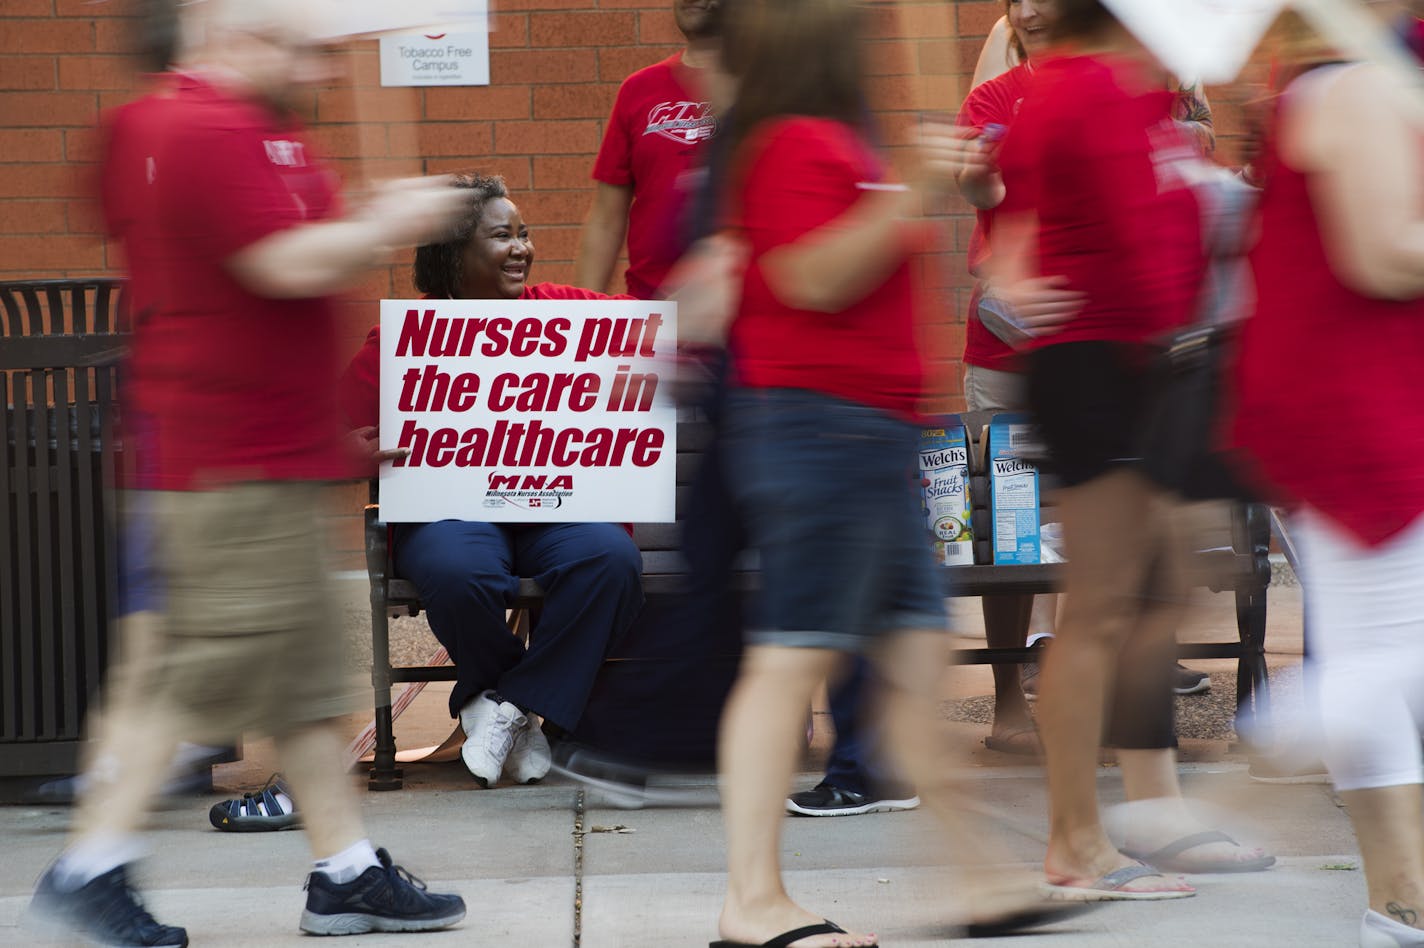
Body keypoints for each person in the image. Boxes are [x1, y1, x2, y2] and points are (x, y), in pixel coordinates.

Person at [26, 2, 473, 943]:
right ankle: (89, 867)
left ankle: (345, 871)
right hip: (228, 465)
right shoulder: (202, 127)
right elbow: (281, 262)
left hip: (258, 459)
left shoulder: (240, 129)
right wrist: (394, 221)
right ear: (228, 33)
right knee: (191, 680)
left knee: (301, 684)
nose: (317, 72)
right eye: (297, 50)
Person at [710, 1, 1077, 943]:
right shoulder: (792, 141)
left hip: (872, 436)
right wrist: (905, 188)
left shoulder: (838, 141)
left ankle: (979, 876)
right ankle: (751, 903)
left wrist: (942, 184)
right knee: (790, 658)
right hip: (813, 429)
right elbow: (811, 276)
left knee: (912, 665)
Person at [988, 0, 1268, 900]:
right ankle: (1075, 843)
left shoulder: (1137, 92)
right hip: (1104, 368)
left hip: (1147, 366)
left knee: (1156, 596)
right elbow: (1134, 245)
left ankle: (1149, 810)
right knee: (1103, 609)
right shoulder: (1088, 88)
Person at [338, 173, 646, 789]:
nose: (523, 249)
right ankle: (524, 714)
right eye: (503, 236)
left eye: (525, 235)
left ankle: (505, 709)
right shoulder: (403, 341)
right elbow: (331, 434)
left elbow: (654, 342)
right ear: (454, 256)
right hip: (451, 511)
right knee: (460, 572)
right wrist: (356, 451)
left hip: (555, 506)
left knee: (610, 559)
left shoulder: (571, 314)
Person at [1229, 7, 1424, 945]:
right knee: (1392, 657)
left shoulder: (1319, 84)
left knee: (1378, 651)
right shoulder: (1360, 86)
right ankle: (1256, 759)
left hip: (1336, 405)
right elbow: (1385, 254)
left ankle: (1398, 908)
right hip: (1369, 406)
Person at [575, 0, 723, 299]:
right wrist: (584, 317)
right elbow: (606, 218)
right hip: (653, 309)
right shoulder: (639, 89)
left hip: (743, 314)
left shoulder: (768, 89)